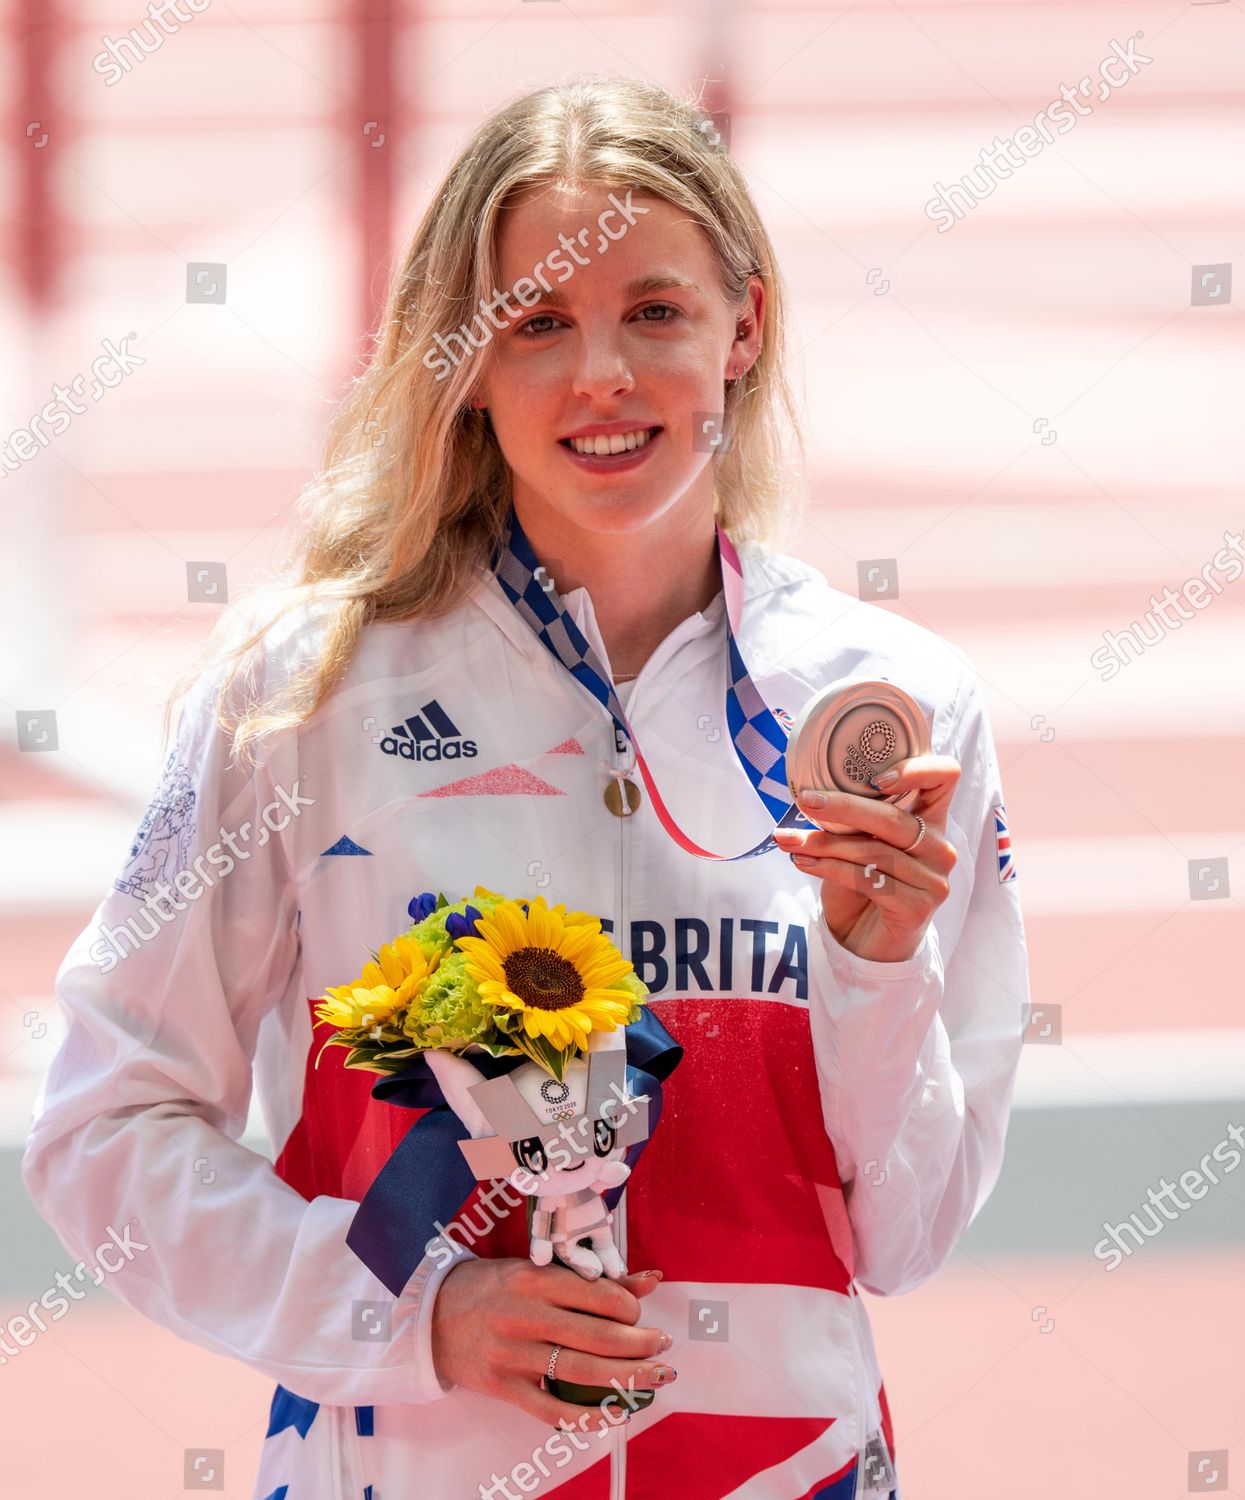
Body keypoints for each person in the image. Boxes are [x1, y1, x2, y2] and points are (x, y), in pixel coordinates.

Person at [22, 75, 1031, 1500]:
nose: (600, 374)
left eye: (657, 313)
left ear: (743, 327)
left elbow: (907, 1235)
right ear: (464, 360)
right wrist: (411, 1314)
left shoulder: (894, 708)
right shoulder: (303, 695)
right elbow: (100, 1133)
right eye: (538, 323)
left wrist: (873, 966)